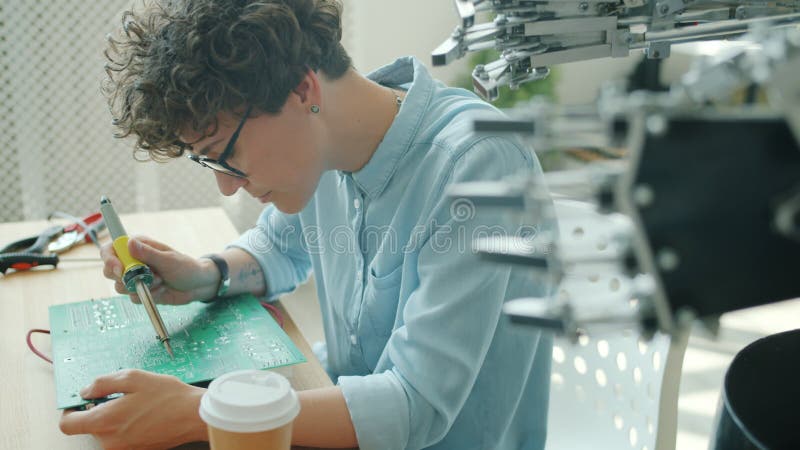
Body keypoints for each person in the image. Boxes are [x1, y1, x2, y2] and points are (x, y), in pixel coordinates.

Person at [59, 0, 555, 448]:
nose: (227, 187)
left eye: (225, 157)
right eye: (210, 164)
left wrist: (202, 414)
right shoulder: (328, 147)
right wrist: (203, 274)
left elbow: (415, 406)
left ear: (302, 89)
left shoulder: (479, 166)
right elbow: (278, 247)